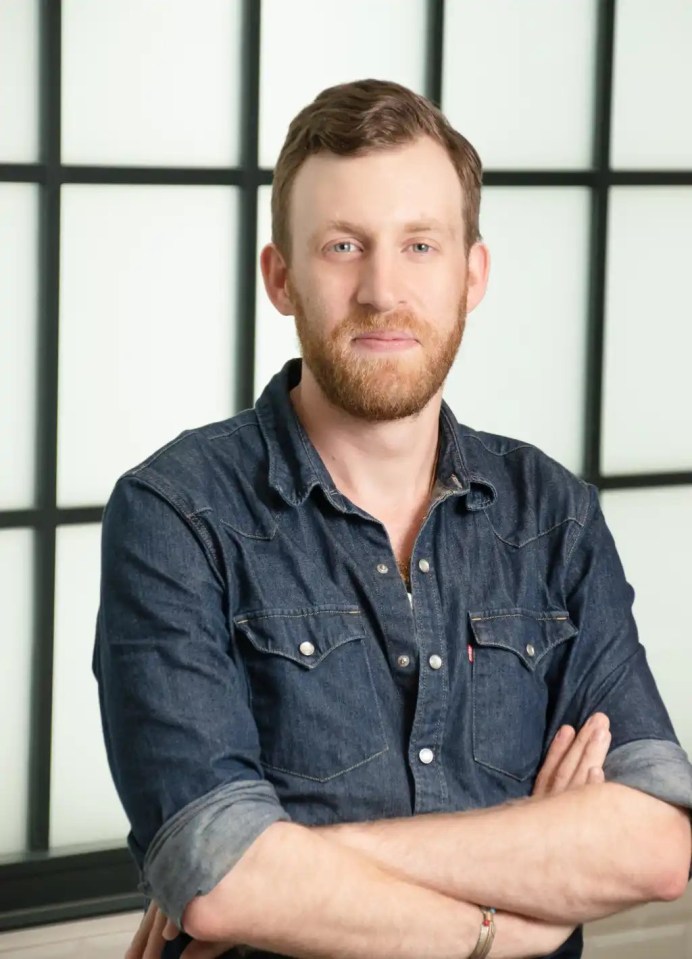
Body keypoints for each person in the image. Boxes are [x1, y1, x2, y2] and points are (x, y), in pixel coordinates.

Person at [94, 79, 692, 959]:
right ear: (281, 275)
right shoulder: (175, 514)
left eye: (420, 244)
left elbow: (655, 843)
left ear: (471, 274)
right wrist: (503, 917)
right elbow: (221, 877)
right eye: (343, 245)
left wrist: (302, 862)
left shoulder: (553, 515)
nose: (382, 289)